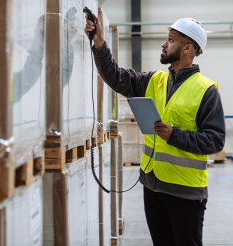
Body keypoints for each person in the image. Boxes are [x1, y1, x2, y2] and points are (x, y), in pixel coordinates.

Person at [85, 15, 225, 246]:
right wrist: (99, 42)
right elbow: (115, 77)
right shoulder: (153, 81)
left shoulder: (206, 91)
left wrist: (174, 135)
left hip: (185, 192)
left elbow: (215, 140)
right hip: (152, 186)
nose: (164, 44)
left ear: (187, 48)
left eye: (170, 40)